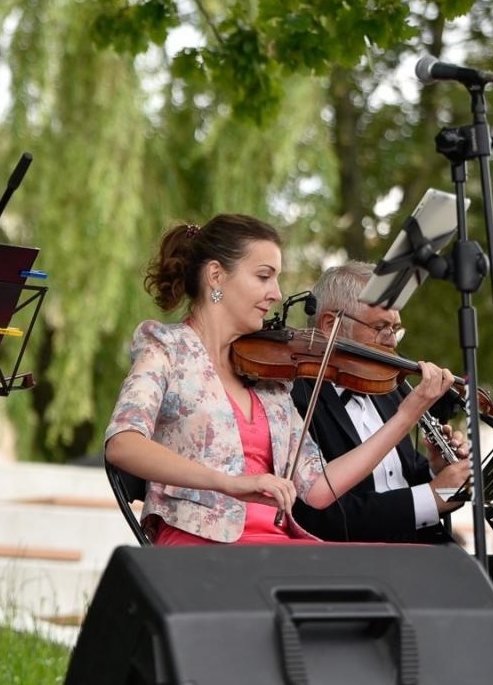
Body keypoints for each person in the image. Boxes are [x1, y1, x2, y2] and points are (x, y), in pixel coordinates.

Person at [103, 215, 460, 546]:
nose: (276, 293)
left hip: (278, 544)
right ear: (216, 276)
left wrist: (404, 418)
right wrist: (230, 483)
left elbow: (319, 488)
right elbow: (123, 444)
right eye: (263, 276)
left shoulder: (269, 380)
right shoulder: (166, 348)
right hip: (198, 543)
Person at [289, 261, 472, 543]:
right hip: (361, 565)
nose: (391, 343)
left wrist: (437, 469)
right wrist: (434, 496)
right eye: (381, 327)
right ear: (330, 325)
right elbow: (321, 520)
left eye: (395, 329)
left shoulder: (388, 390)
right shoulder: (297, 399)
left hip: (424, 550)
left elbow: (407, 484)